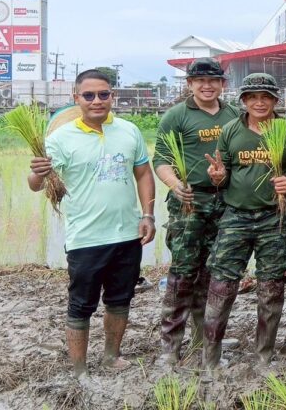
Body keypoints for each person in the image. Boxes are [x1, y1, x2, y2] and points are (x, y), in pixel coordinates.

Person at [27, 69, 157, 378]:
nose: (97, 100)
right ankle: (79, 369)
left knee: (120, 300)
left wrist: (148, 215)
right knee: (81, 305)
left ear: (113, 96)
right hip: (85, 238)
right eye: (89, 95)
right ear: (77, 98)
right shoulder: (60, 138)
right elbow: (35, 184)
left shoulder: (129, 131)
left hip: (127, 234)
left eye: (103, 94)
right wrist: (37, 173)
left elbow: (143, 174)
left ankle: (111, 356)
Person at [201, 73, 286, 369]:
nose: (259, 102)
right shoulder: (231, 131)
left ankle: (263, 357)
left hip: (274, 218)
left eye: (265, 97)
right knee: (222, 285)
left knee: (271, 287)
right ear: (244, 101)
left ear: (275, 100)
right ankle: (210, 358)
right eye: (252, 97)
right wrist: (218, 177)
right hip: (236, 217)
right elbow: (223, 173)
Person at [153, 58, 240, 368]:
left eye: (213, 80)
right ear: (189, 84)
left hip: (224, 203)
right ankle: (170, 347)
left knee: (213, 275)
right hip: (189, 203)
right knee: (183, 274)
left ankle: (203, 342)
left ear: (222, 84)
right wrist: (175, 185)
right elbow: (161, 160)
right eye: (200, 80)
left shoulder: (234, 115)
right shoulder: (176, 116)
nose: (207, 86)